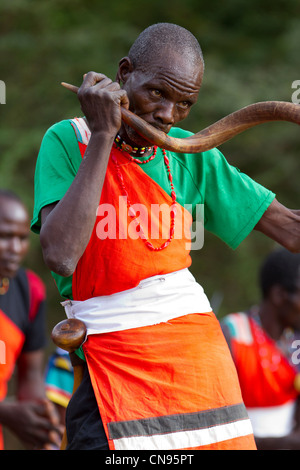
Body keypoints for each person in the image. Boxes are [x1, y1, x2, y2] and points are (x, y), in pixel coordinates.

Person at [31, 23, 299, 450]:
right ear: (124, 73)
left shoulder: (193, 152)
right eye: (157, 93)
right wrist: (103, 133)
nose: (167, 116)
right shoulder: (70, 139)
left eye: (184, 103)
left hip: (198, 367)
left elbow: (291, 230)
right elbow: (61, 256)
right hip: (111, 369)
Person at [0, 190, 62, 450]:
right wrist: (5, 413)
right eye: (4, 237)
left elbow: (30, 377)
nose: (15, 249)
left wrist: (41, 425)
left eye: (22, 238)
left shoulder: (29, 291)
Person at [221, 248, 300, 450]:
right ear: (279, 295)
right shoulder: (233, 335)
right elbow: (215, 425)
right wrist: (280, 444)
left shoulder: (294, 339)